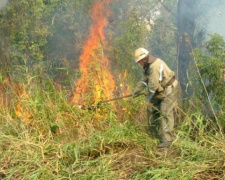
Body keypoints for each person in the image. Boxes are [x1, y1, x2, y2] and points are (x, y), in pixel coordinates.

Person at [132, 48, 179, 148]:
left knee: (165, 111)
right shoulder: (147, 66)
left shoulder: (155, 66)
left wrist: (145, 93)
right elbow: (144, 80)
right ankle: (154, 134)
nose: (139, 64)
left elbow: (152, 86)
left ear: (144, 59)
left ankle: (167, 140)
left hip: (169, 88)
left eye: (139, 62)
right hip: (161, 89)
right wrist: (136, 91)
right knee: (151, 107)